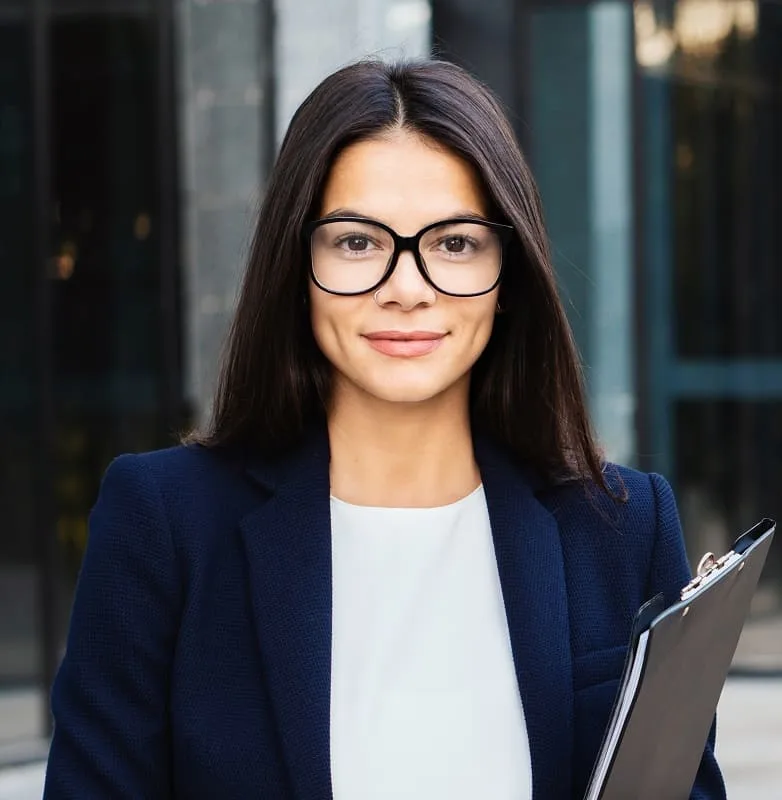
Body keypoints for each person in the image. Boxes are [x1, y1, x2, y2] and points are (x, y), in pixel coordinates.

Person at [43, 59, 725, 799]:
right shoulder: (164, 525)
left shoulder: (621, 529)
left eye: (455, 244)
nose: (408, 289)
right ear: (296, 267)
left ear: (508, 278)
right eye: (357, 243)